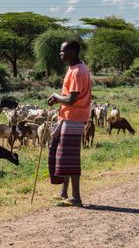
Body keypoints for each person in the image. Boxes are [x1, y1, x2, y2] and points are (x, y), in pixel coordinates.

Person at [47, 40, 92, 207]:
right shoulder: (74, 68)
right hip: (67, 116)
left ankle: (76, 197)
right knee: (60, 154)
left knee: (70, 157)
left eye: (62, 51)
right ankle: (64, 192)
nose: (60, 54)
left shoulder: (78, 71)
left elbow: (72, 99)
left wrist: (56, 96)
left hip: (75, 117)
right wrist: (58, 99)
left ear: (72, 52)